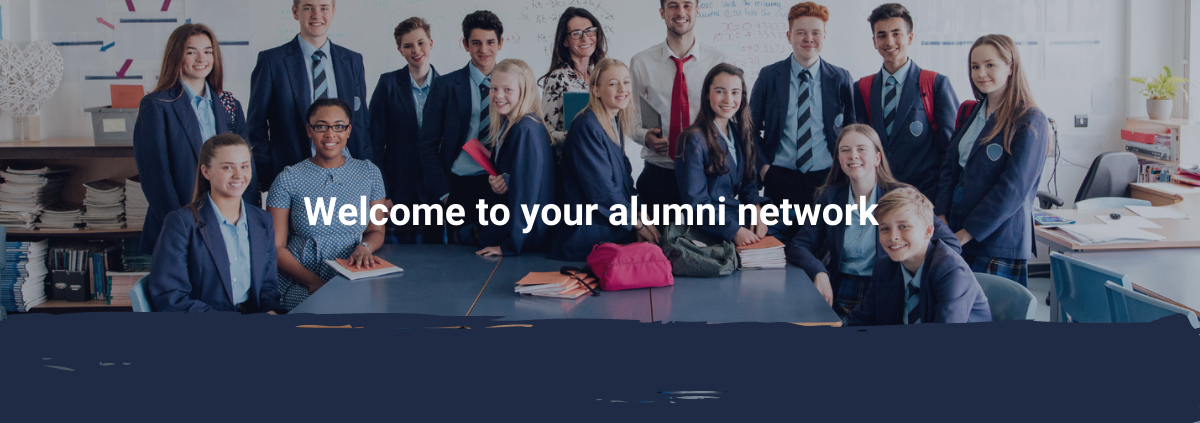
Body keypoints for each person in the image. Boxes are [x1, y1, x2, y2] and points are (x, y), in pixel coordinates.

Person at [786, 124, 960, 317]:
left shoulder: (900, 196)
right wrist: (819, 272)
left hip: (888, 289)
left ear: (877, 158)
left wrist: (922, 282)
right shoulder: (831, 197)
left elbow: (950, 244)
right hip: (839, 287)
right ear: (839, 159)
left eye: (861, 149)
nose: (853, 155)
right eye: (845, 150)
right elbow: (799, 245)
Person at [935, 34, 1050, 288]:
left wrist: (968, 233)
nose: (981, 73)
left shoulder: (1030, 119)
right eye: (975, 67)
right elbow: (950, 168)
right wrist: (942, 216)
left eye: (990, 65)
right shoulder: (971, 111)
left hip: (996, 238)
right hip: (956, 230)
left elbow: (1013, 189)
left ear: (1010, 67)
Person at [133, 23, 256, 255]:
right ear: (177, 56)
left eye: (208, 51)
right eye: (191, 52)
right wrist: (182, 227)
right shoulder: (157, 105)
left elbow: (248, 166)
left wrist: (245, 217)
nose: (202, 58)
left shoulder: (229, 105)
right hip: (181, 222)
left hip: (228, 220)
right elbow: (156, 178)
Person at [267, 99, 386, 310]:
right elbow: (276, 247)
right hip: (301, 281)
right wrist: (314, 283)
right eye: (321, 126)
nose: (330, 134)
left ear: (348, 130)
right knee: (329, 313)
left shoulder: (370, 173)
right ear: (309, 130)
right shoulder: (288, 178)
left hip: (351, 277)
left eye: (339, 126)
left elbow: (376, 230)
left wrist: (364, 247)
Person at [147, 134, 285, 314]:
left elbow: (267, 288)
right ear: (206, 171)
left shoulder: (263, 220)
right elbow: (171, 297)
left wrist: (271, 313)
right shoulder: (181, 223)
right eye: (227, 167)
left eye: (244, 166)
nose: (238, 175)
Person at [249, 0, 372, 191]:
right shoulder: (272, 62)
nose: (316, 14)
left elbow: (361, 122)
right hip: (292, 176)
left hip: (347, 174)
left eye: (323, 8)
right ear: (295, 12)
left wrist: (366, 170)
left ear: (333, 12)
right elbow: (255, 126)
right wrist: (267, 174)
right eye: (308, 8)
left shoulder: (352, 60)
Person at [551, 58, 662, 261]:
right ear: (596, 91)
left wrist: (639, 214)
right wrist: (636, 223)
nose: (622, 89)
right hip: (590, 231)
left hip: (613, 219)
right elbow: (602, 192)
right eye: (613, 84)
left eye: (626, 82)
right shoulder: (587, 126)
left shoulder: (613, 120)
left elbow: (625, 181)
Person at [750, 2, 855, 215]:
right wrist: (764, 169)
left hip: (827, 179)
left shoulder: (841, 79)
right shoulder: (769, 76)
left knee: (822, 244)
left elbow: (853, 131)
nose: (809, 38)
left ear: (824, 35)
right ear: (789, 36)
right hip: (779, 178)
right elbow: (748, 129)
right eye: (801, 32)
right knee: (779, 244)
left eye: (815, 32)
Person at [853, 3, 957, 203]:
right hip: (877, 196)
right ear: (874, 41)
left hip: (923, 198)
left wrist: (942, 205)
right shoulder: (862, 88)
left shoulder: (935, 84)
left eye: (896, 33)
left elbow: (950, 153)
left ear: (909, 37)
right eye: (881, 35)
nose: (889, 41)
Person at [629, 0, 729, 206]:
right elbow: (629, 119)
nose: (680, 12)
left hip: (706, 175)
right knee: (655, 238)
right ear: (662, 13)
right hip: (659, 177)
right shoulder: (641, 63)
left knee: (707, 238)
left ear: (697, 10)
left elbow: (729, 117)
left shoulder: (718, 62)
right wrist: (644, 137)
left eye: (687, 5)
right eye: (673, 5)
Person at [418, 10, 505, 239]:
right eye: (476, 43)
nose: (483, 50)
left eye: (490, 42)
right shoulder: (445, 86)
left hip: (500, 186)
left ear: (500, 43)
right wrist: (446, 192)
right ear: (465, 44)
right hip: (460, 186)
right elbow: (427, 144)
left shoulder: (513, 86)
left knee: (499, 258)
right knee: (461, 262)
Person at [848, 187, 991, 325]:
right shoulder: (884, 268)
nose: (893, 237)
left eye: (904, 226)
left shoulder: (951, 271)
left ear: (928, 231)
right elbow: (860, 321)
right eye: (885, 229)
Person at [464, 59, 556, 256]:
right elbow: (519, 176)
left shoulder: (526, 128)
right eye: (494, 88)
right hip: (511, 222)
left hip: (524, 234)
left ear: (524, 91)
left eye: (508, 90)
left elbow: (527, 194)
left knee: (460, 235)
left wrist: (510, 246)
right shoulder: (512, 124)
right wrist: (502, 181)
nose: (498, 95)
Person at [676, 63, 771, 246]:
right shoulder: (693, 139)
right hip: (712, 228)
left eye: (735, 92)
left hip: (737, 218)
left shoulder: (739, 133)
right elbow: (695, 205)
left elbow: (748, 184)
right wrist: (733, 231)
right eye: (720, 91)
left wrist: (757, 208)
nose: (728, 99)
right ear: (707, 94)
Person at [370, 17, 443, 244]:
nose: (416, 50)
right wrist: (383, 195)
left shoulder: (448, 86)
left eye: (421, 43)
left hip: (435, 191)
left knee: (436, 262)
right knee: (397, 260)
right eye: (408, 45)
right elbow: (374, 144)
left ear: (431, 43)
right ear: (400, 50)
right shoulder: (387, 84)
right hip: (397, 189)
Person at [539, 7, 608, 147]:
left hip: (600, 159)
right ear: (565, 41)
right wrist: (580, 134)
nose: (585, 38)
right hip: (573, 162)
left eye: (590, 30)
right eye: (576, 33)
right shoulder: (558, 79)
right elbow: (545, 133)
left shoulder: (599, 76)